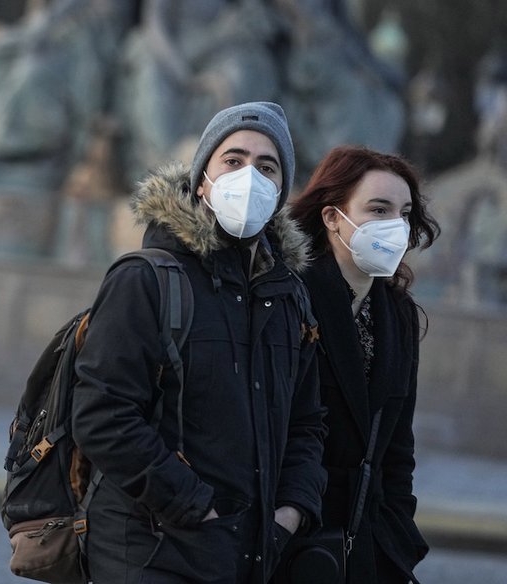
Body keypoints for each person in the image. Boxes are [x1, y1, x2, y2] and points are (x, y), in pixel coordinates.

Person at [72, 101, 327, 583]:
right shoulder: (147, 279)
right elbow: (102, 415)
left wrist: (290, 512)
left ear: (279, 193)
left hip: (247, 554)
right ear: (202, 180)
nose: (248, 176)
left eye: (266, 166)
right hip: (150, 549)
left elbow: (307, 422)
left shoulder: (289, 297)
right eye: (233, 160)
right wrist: (195, 506)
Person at [286, 146, 439, 582]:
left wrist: (398, 532)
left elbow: (398, 446)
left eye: (404, 212)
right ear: (333, 217)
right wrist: (284, 518)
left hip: (367, 540)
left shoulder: (398, 314)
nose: (396, 225)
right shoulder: (290, 295)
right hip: (293, 536)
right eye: (378, 209)